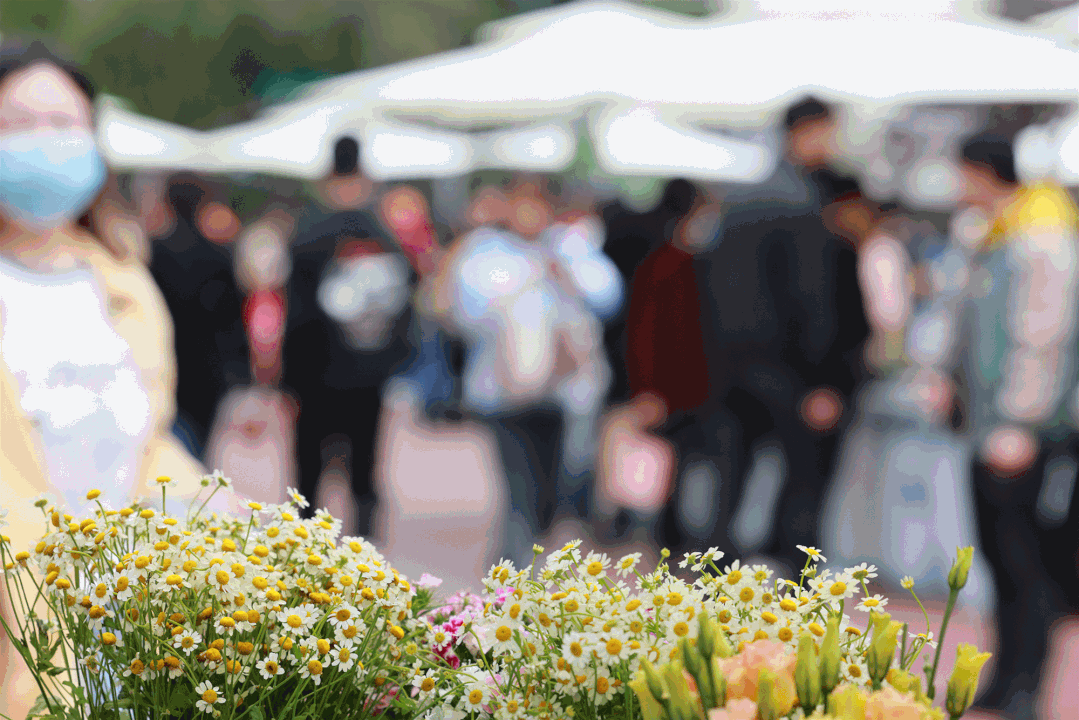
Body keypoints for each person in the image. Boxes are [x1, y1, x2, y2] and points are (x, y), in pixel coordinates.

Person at [0, 43, 230, 717]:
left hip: (124, 612)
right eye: (18, 123)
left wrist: (224, 517)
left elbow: (149, 439)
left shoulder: (121, 280)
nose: (45, 142)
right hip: (22, 626)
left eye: (64, 123)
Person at [692, 97, 870, 571]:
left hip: (729, 366)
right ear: (807, 130)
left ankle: (710, 594)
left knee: (726, 493)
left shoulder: (735, 203)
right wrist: (824, 379)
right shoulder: (803, 203)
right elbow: (813, 297)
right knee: (803, 494)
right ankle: (797, 598)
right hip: (792, 372)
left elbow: (707, 288)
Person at [280, 138, 414, 539]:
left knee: (309, 470)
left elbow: (295, 311)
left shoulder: (308, 231)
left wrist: (285, 375)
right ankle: (364, 551)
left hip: (314, 371)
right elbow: (404, 300)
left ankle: (305, 549)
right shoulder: (381, 233)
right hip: (369, 371)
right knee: (364, 467)